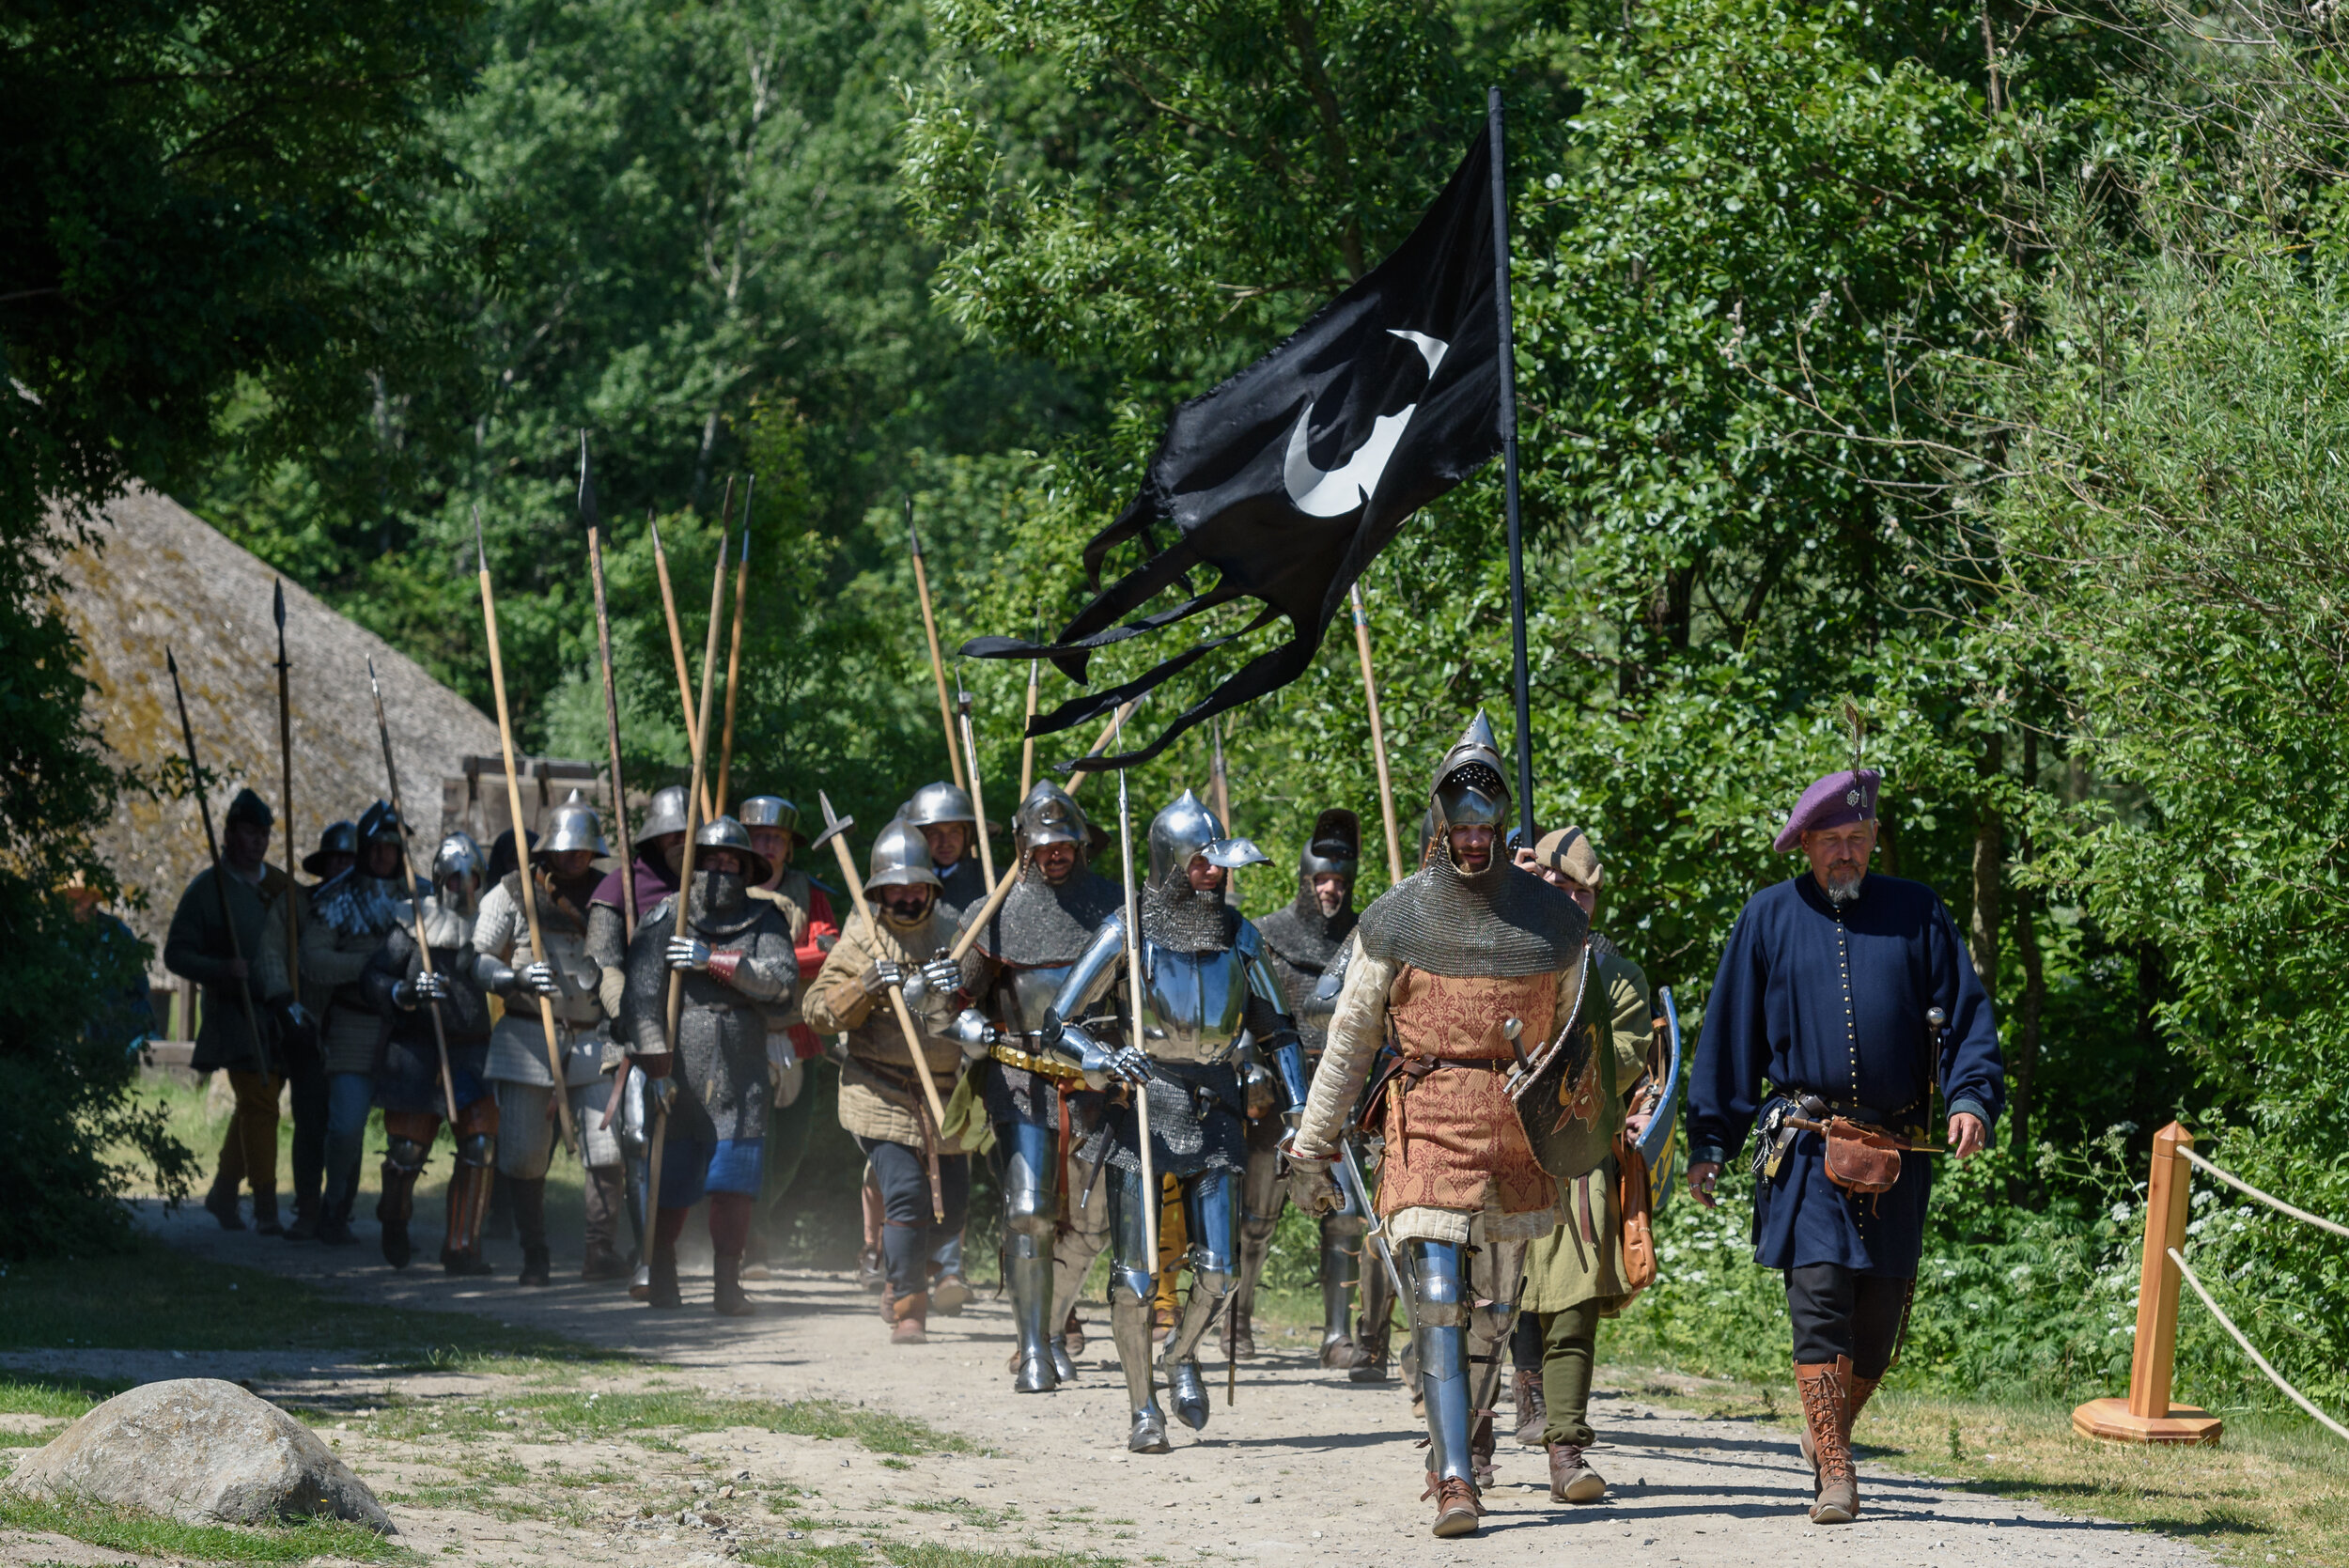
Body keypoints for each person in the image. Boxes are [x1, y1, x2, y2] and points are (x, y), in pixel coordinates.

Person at [1286, 714, 1592, 1538]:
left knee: (1496, 1313)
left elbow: (1571, 1045)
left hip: (1516, 1130)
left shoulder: (1555, 925)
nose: (1470, 838)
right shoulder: (1395, 918)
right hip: (1427, 1120)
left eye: (1484, 825)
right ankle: (1453, 1474)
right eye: (1458, 825)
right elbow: (1350, 1036)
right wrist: (1316, 1140)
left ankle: (1467, 1441)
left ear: (1500, 825)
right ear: (1440, 824)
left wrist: (1580, 1126)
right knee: (1439, 1296)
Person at [1686, 765, 2003, 1525]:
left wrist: (1970, 1099)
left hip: (1896, 1150)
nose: (1846, 855)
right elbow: (1728, 1037)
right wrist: (1709, 1140)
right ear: (1804, 845)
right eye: (1831, 842)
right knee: (1820, 1299)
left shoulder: (1919, 912)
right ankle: (1836, 1468)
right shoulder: (1766, 918)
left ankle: (1826, 1430)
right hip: (1806, 1146)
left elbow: (1966, 1020)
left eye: (1858, 841)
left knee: (1879, 1323)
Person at [1040, 790, 1308, 1452]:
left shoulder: (1241, 935)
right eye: (1201, 862)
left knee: (1219, 1272)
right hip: (1143, 1102)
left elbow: (1278, 1031)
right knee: (1134, 1276)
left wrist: (1303, 1105)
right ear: (1170, 861)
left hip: (1216, 1103)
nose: (1214, 874)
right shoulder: (1127, 929)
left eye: (1218, 864)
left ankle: (1178, 1354)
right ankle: (1142, 1408)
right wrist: (1102, 1053)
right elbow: (1058, 1023)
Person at [950, 781, 1121, 1391]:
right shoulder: (993, 916)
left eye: (1065, 842)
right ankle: (1031, 1350)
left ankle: (1049, 1327)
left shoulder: (1112, 907)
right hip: (1018, 1074)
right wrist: (954, 1010)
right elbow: (950, 1002)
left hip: (1094, 1080)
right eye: (1044, 843)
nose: (1056, 853)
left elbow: (1134, 998)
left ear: (1081, 843)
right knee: (1027, 1212)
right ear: (1024, 846)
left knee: (1092, 1225)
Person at [1509, 824, 1656, 1503]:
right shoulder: (1501, 957)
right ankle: (1469, 1453)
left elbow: (1625, 1055)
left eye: (1578, 891)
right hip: (1497, 1150)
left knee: (1571, 1301)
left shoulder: (1618, 976)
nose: (1567, 900)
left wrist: (1560, 1065)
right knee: (1492, 1301)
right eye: (1555, 886)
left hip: (1575, 1151)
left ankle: (1565, 1447)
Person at [801, 815, 978, 1343]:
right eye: (894, 887)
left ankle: (904, 1270)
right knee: (905, 1192)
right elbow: (816, 1010)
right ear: (879, 889)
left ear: (930, 884)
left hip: (946, 1092)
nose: (905, 895)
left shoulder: (954, 933)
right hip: (878, 1090)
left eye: (914, 885)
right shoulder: (863, 936)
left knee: (952, 1210)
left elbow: (988, 999)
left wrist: (960, 986)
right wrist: (864, 985)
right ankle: (908, 1307)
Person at [619, 815, 796, 1314]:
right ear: (694, 867)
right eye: (712, 861)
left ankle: (727, 1285)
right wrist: (656, 1069)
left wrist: (712, 959)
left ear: (746, 870)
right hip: (679, 1075)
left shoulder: (766, 921)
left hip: (743, 1074)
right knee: (672, 1183)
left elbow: (782, 985)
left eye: (732, 862)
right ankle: (663, 1274)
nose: (722, 870)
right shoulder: (666, 918)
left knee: (735, 1187)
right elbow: (640, 1003)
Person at [366, 831, 556, 1274]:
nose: (463, 887)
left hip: (473, 1053)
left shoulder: (491, 924)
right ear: (437, 879)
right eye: (454, 879)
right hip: (417, 1051)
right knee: (407, 1152)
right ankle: (394, 1216)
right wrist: (406, 989)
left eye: (472, 878)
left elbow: (508, 971)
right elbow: (372, 977)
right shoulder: (413, 925)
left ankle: (461, 1246)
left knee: (481, 1148)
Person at [1236, 808, 1363, 1365]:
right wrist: (1250, 1065)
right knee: (1257, 1218)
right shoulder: (1266, 934)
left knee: (1344, 1217)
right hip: (1279, 1090)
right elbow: (1239, 1013)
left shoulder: (1366, 937)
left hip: (1340, 1090)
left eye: (1340, 881)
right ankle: (1235, 1320)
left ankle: (1337, 1337)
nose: (1332, 889)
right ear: (1306, 881)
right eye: (1323, 880)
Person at [477, 794, 619, 1286]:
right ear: (550, 848)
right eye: (567, 847)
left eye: (585, 849)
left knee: (608, 1149)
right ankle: (534, 1253)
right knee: (522, 1152)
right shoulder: (513, 893)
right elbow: (478, 959)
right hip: (527, 1035)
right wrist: (514, 979)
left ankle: (599, 1252)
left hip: (593, 1036)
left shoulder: (610, 896)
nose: (576, 857)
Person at [163, 786, 306, 1235]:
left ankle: (224, 1191)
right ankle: (265, 1206)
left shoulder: (281, 886)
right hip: (236, 1012)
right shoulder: (209, 892)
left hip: (278, 1011)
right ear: (229, 835)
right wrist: (222, 969)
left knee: (255, 1104)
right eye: (249, 832)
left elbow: (308, 932)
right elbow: (176, 956)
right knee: (261, 1101)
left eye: (264, 833)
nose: (258, 841)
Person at [586, 783, 690, 1297]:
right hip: (634, 1036)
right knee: (637, 1139)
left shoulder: (714, 886)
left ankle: (731, 1251)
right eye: (668, 832)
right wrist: (630, 1013)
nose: (677, 840)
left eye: (684, 832)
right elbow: (603, 965)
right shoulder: (619, 892)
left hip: (701, 1034)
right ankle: (649, 1257)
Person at [739, 795, 839, 1277]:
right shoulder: (728, 889)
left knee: (792, 1146)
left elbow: (829, 951)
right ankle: (751, 1236)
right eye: (758, 837)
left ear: (788, 848)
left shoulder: (808, 893)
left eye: (775, 839)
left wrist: (757, 968)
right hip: (742, 1031)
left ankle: (754, 1222)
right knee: (756, 1138)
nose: (767, 846)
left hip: (797, 1031)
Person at [304, 802, 411, 1246]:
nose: (384, 855)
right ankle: (335, 1205)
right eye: (377, 847)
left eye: (392, 847)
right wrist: (372, 968)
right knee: (345, 1128)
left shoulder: (421, 899)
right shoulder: (334, 898)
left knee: (408, 1136)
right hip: (353, 1023)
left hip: (408, 1029)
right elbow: (313, 960)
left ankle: (397, 1220)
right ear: (365, 847)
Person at [282, 817, 356, 1240]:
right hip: (309, 1027)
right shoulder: (300, 906)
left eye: (350, 858)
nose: (342, 866)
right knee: (310, 1123)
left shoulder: (373, 906)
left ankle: (339, 1212)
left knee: (348, 1126)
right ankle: (308, 1207)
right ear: (324, 862)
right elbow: (280, 956)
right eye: (336, 858)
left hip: (352, 1029)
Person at [902, 781, 988, 918]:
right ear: (919, 836)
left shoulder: (991, 881)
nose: (945, 842)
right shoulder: (900, 885)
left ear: (968, 836)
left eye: (954, 832)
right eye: (934, 833)